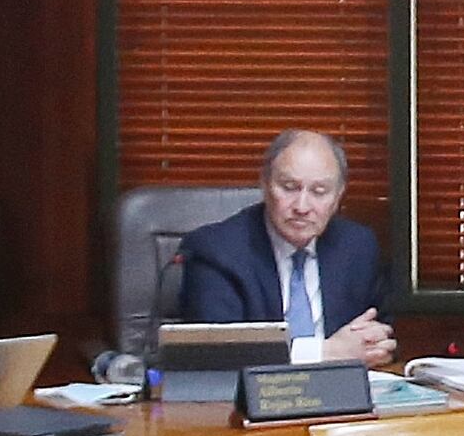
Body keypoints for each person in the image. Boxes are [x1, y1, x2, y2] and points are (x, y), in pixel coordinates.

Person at [168, 131, 395, 367]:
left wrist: (375, 343)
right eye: (289, 187)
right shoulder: (216, 250)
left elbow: (385, 333)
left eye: (319, 192)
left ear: (338, 196)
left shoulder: (357, 246)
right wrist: (325, 354)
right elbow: (216, 353)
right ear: (265, 185)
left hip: (342, 395)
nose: (302, 206)